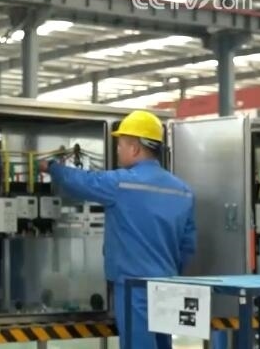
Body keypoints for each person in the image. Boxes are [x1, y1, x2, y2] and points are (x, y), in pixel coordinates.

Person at [38, 110, 196, 349]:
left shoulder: (121, 183)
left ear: (135, 148)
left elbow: (83, 181)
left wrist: (51, 167)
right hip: (167, 283)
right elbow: (188, 245)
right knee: (162, 342)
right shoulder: (182, 190)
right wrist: (169, 272)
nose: (118, 151)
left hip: (135, 285)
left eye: (120, 145)